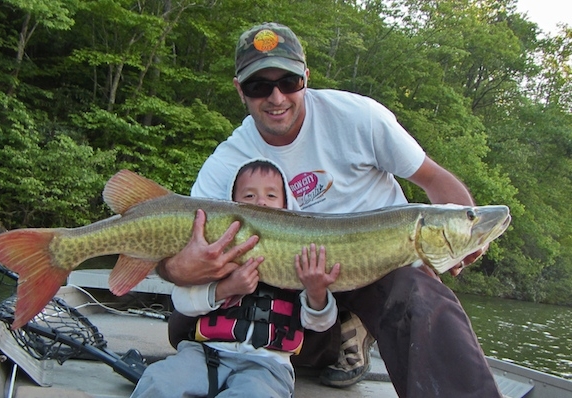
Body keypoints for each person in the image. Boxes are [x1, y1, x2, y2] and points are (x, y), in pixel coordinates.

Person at [156, 22, 502, 397]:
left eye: (288, 82)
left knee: (418, 297)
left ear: (305, 77)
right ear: (241, 90)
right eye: (259, 86)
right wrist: (177, 269)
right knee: (181, 326)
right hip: (292, 275)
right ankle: (345, 336)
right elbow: (177, 248)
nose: (276, 97)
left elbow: (434, 179)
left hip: (380, 270)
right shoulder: (228, 161)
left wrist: (466, 227)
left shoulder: (358, 117)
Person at [131, 159, 340, 397]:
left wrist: (316, 292)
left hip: (267, 365)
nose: (260, 201)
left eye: (271, 196)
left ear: (287, 205)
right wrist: (226, 288)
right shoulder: (215, 252)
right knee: (160, 382)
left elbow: (320, 324)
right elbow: (182, 303)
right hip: (203, 353)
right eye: (249, 196)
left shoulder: (302, 259)